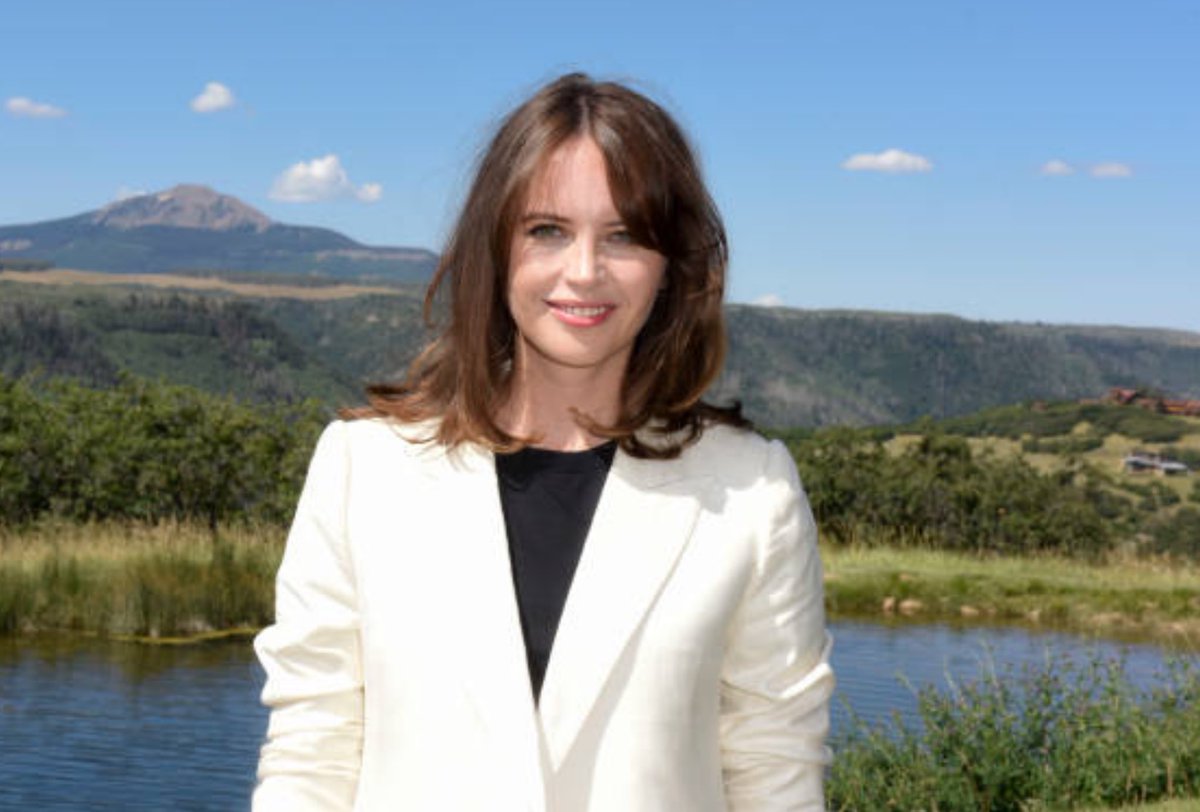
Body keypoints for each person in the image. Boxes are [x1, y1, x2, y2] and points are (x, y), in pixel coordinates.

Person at [252, 72, 834, 811]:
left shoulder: (753, 492)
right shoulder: (362, 469)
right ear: (497, 248)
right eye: (547, 230)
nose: (584, 272)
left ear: (671, 267)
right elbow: (312, 752)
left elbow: (774, 767)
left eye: (623, 235)